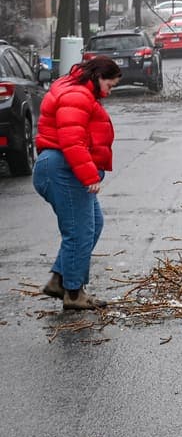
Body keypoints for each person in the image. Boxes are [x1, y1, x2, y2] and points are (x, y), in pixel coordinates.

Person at [32, 57, 121, 311]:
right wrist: (90, 176)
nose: (109, 92)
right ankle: (73, 293)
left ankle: (60, 281)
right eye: (110, 85)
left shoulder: (77, 90)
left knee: (93, 225)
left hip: (63, 167)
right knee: (80, 232)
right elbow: (72, 139)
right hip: (63, 168)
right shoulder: (77, 95)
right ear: (98, 77)